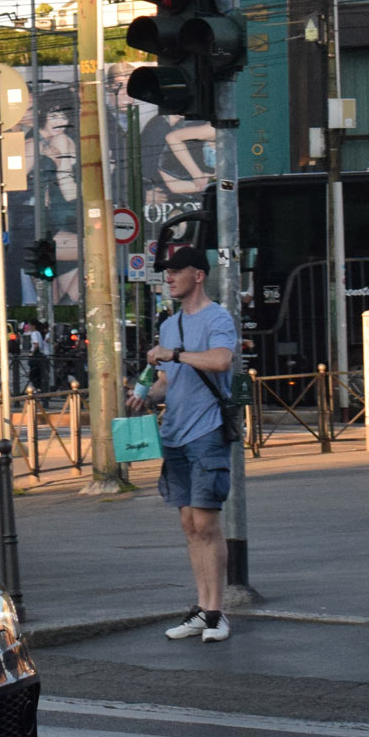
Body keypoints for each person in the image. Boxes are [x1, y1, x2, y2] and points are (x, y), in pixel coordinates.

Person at [146, 246, 240, 642]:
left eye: (176, 270)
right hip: (175, 433)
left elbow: (220, 360)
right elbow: (167, 382)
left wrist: (176, 354)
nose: (169, 277)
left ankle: (218, 611)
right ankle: (201, 608)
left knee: (206, 521)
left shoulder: (218, 317)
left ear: (198, 275)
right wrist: (145, 395)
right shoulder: (169, 325)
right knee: (188, 524)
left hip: (206, 431)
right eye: (166, 271)